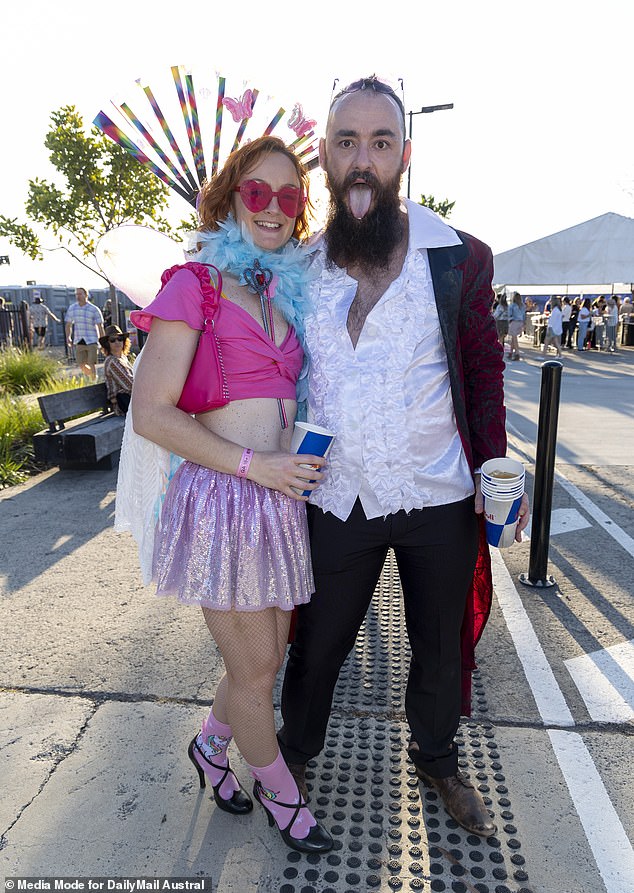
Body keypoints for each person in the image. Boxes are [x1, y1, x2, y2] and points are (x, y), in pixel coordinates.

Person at [277, 76, 529, 839]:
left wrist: (497, 472)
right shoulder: (297, 268)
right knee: (316, 643)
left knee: (439, 641)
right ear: (322, 154)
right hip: (335, 493)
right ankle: (293, 752)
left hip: (437, 492)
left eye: (380, 143)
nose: (363, 160)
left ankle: (438, 755)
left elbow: (482, 367)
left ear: (404, 156)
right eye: (346, 142)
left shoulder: (456, 256)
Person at [128, 135, 333, 854]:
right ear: (229, 198)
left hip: (279, 501)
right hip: (225, 499)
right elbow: (152, 413)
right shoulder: (196, 286)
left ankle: (212, 745)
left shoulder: (281, 289)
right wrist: (255, 463)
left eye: (289, 196)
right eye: (258, 192)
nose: (273, 208)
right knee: (254, 674)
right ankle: (283, 797)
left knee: (262, 662)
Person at [65, 287, 105, 379]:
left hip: (92, 339)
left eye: (80, 294)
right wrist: (68, 337)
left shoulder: (94, 309)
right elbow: (68, 324)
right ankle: (92, 375)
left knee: (91, 362)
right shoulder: (72, 308)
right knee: (81, 364)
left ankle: (93, 379)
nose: (78, 296)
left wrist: (103, 340)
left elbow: (100, 326)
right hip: (79, 339)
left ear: (86, 295)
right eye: (76, 294)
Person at [99, 325, 134, 414]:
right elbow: (130, 385)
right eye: (112, 340)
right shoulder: (112, 361)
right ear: (108, 344)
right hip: (124, 404)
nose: (117, 342)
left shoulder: (123, 358)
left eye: (120, 339)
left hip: (133, 401)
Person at [507, 291, 526, 360]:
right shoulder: (523, 306)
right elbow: (524, 315)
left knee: (514, 338)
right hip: (520, 322)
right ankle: (510, 352)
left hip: (514, 322)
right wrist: (524, 323)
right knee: (513, 338)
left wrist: (509, 320)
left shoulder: (512, 305)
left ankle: (517, 353)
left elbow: (509, 314)